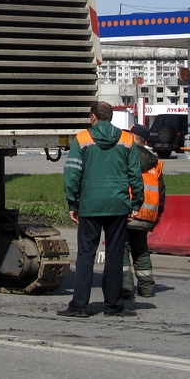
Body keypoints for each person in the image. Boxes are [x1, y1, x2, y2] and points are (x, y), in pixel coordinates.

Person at [57, 102, 144, 318]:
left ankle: (79, 306)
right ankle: (113, 306)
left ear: (93, 117)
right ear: (111, 117)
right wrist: (136, 204)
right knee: (114, 256)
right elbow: (135, 174)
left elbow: (72, 173)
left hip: (90, 205)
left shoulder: (82, 138)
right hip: (118, 205)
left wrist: (73, 203)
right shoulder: (126, 140)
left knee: (86, 255)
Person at [123, 124, 166, 299]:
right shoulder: (156, 163)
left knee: (121, 250)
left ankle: (125, 288)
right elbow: (161, 193)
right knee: (141, 250)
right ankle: (146, 288)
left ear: (133, 137)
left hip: (127, 213)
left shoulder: (125, 157)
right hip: (147, 215)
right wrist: (157, 216)